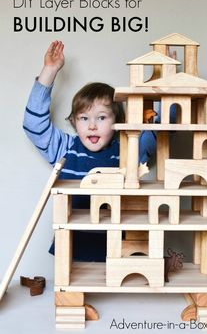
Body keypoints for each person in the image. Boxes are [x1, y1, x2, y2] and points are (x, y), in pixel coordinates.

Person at [23, 40, 157, 261]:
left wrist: (166, 84)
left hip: (116, 251)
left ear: (118, 122)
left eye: (101, 117)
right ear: (74, 122)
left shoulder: (126, 150)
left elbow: (157, 130)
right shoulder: (66, 149)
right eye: (84, 118)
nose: (92, 125)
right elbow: (33, 126)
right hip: (73, 249)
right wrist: (49, 71)